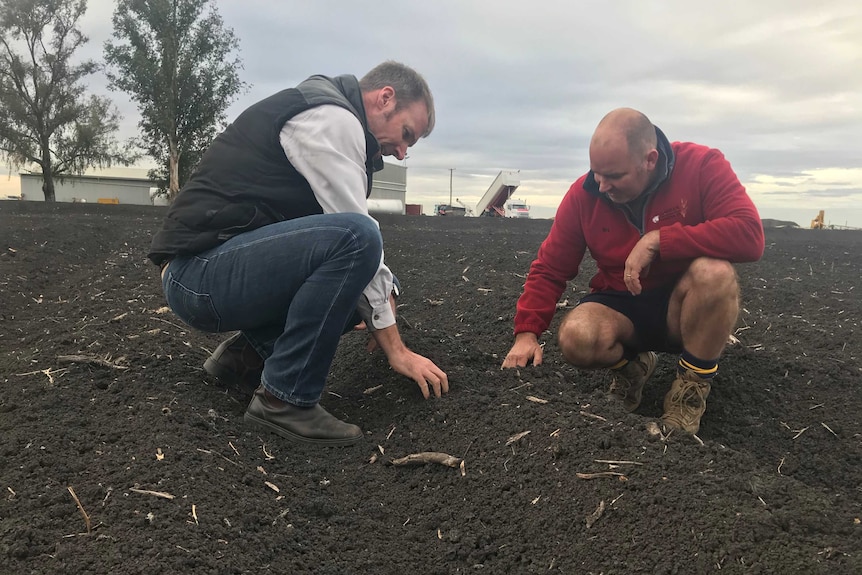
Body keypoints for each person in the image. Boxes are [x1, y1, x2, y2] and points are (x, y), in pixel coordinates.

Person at [148, 61, 449, 447]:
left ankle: (242, 362)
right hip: (197, 276)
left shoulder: (329, 113)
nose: (403, 153)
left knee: (363, 285)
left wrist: (381, 304)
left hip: (210, 272)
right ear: (385, 98)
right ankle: (284, 399)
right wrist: (397, 349)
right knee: (359, 241)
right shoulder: (331, 120)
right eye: (407, 134)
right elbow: (356, 232)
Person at [502, 108, 764, 435]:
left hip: (683, 307)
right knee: (575, 336)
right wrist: (527, 334)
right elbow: (550, 268)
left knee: (715, 273)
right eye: (596, 172)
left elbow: (750, 235)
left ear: (650, 159)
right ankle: (633, 369)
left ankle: (689, 392)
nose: (602, 185)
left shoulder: (701, 166)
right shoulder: (585, 194)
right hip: (622, 304)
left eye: (614, 175)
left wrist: (662, 240)